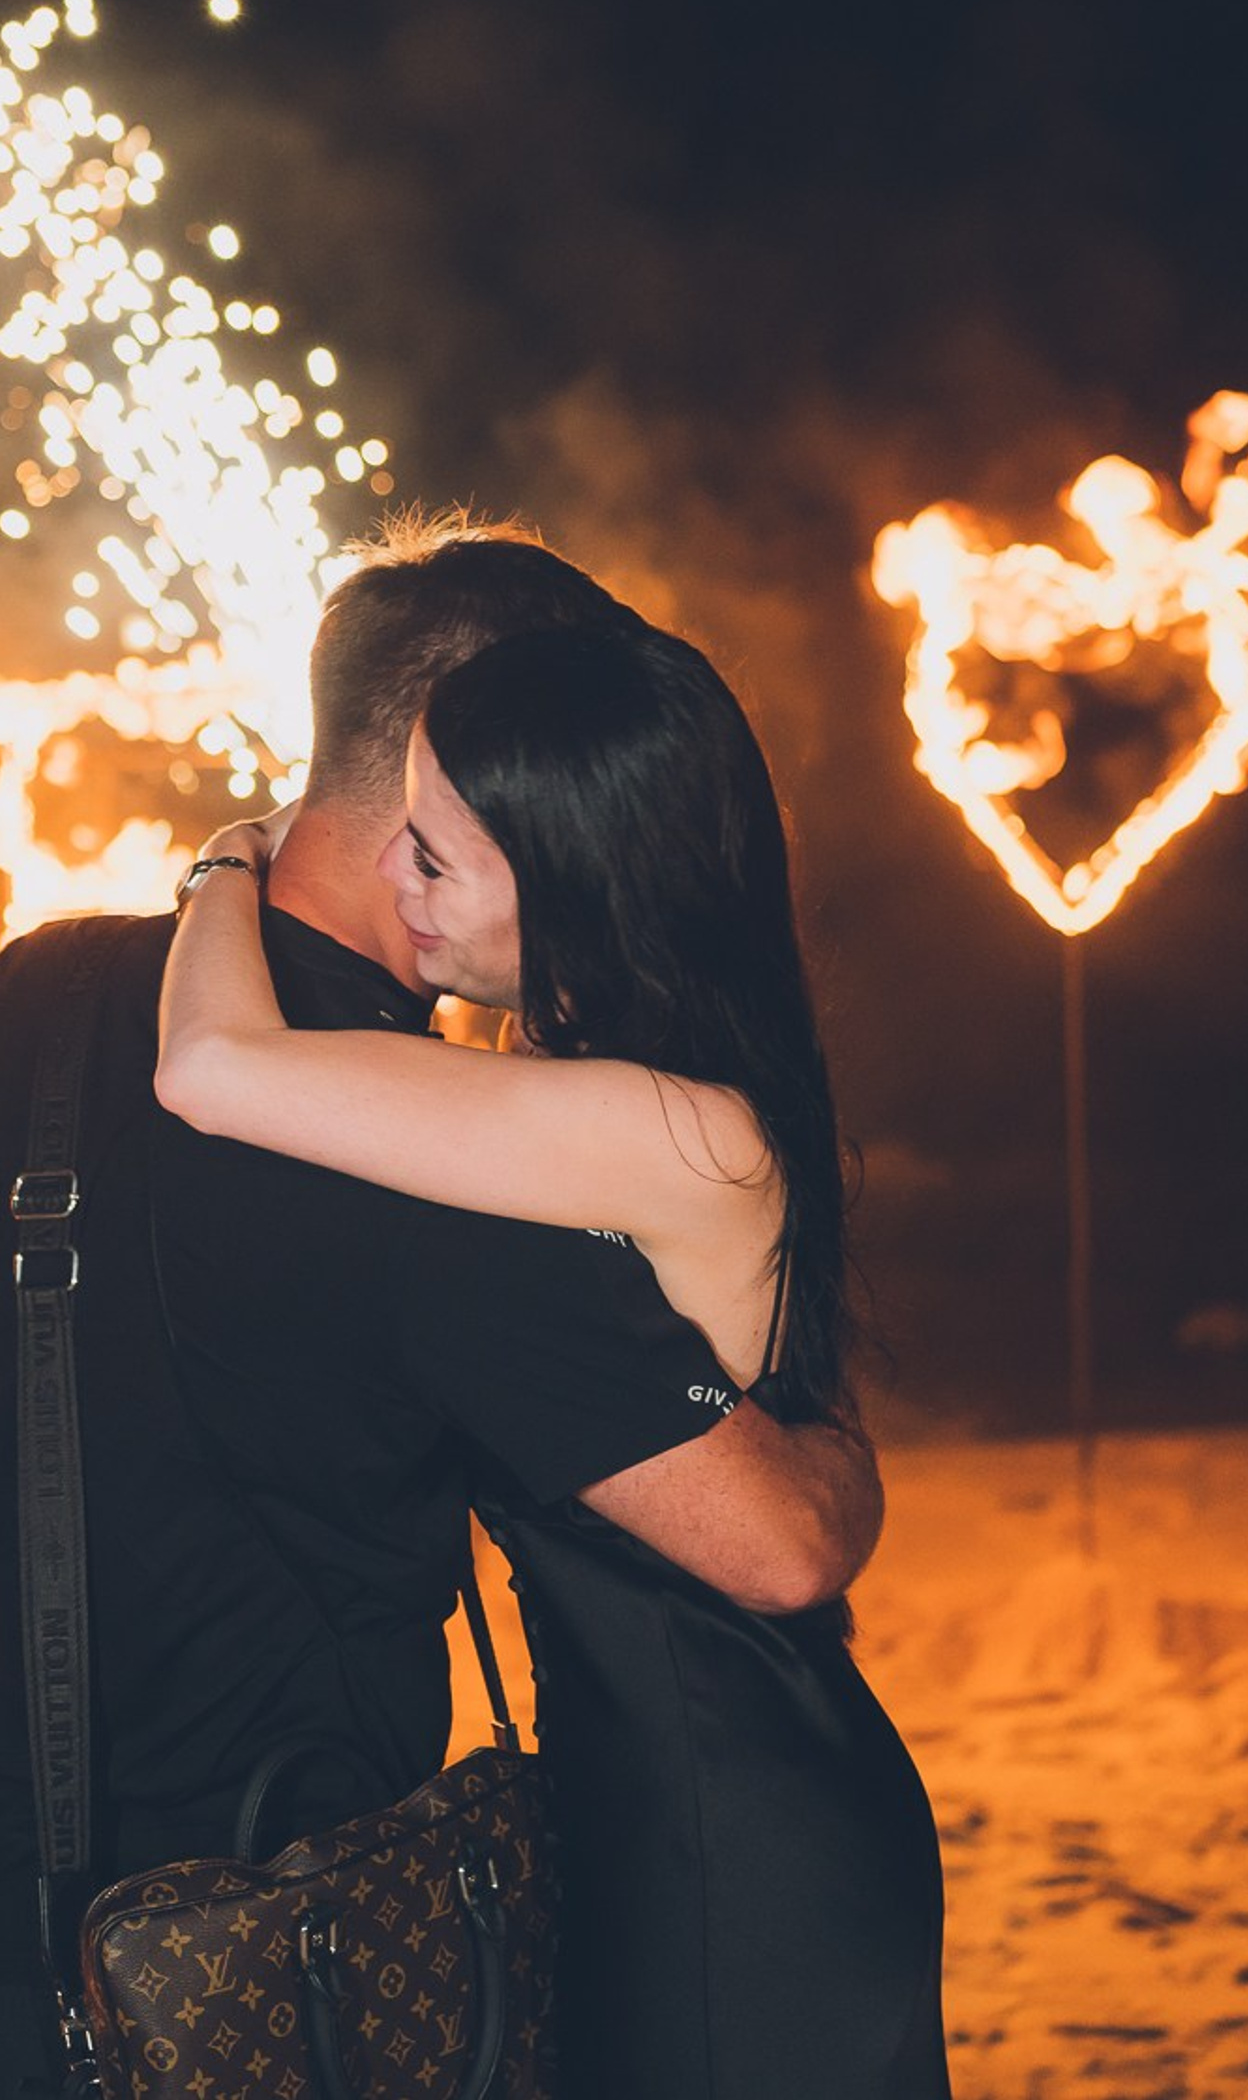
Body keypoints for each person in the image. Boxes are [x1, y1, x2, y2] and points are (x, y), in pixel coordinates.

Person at [0, 519, 886, 2100]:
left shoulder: (20, 990)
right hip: (295, 1929)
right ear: (464, 753)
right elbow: (772, 1540)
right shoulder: (437, 1150)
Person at [157, 612, 950, 2098]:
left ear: (575, 888)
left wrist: (221, 865)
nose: (393, 879)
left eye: (433, 857)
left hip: (731, 1821)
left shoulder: (647, 1123)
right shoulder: (637, 1083)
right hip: (691, 1786)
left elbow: (209, 1069)